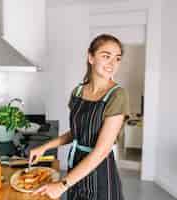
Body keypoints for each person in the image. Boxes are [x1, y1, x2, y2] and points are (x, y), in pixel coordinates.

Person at [29, 33, 129, 200]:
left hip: (100, 172)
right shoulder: (78, 92)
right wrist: (45, 147)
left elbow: (102, 151)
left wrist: (62, 185)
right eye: (106, 56)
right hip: (76, 168)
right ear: (91, 57)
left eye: (117, 58)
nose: (112, 63)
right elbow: (77, 133)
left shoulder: (117, 95)